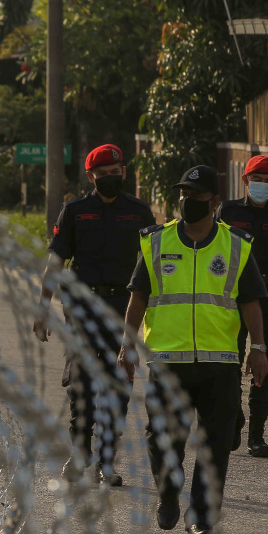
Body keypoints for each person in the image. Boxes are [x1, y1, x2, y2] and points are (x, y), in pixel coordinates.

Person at [117, 165, 268, 534]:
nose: (187, 203)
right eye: (183, 196)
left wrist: (259, 349)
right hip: (168, 362)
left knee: (216, 446)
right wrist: (127, 345)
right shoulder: (157, 242)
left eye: (196, 197)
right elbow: (138, 296)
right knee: (164, 438)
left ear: (215, 202)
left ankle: (201, 515)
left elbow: (250, 301)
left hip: (221, 363)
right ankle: (168, 492)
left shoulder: (235, 245)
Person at [33, 144, 155, 486]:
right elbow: (56, 262)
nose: (109, 180)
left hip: (124, 310)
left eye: (115, 174)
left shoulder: (139, 213)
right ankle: (80, 451)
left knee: (119, 383)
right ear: (91, 177)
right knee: (82, 384)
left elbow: (154, 265)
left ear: (124, 173)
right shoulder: (75, 211)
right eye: (102, 175)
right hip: (83, 309)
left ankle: (106, 461)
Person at [218, 155, 268, 457]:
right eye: (257, 180)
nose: (263, 186)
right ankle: (234, 420)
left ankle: (257, 435)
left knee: (264, 363)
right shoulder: (228, 211)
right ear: (245, 181)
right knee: (230, 361)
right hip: (232, 296)